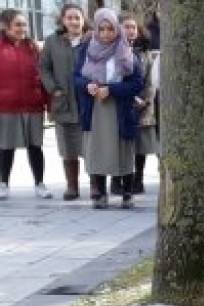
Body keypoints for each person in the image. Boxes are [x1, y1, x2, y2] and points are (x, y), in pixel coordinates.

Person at [75, 7, 143, 210]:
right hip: (95, 108)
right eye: (102, 29)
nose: (106, 34)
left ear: (117, 29)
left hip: (119, 108)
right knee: (98, 150)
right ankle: (101, 193)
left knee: (123, 150)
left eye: (110, 29)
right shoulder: (86, 51)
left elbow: (137, 83)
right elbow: (76, 77)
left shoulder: (126, 51)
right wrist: (87, 86)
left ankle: (127, 192)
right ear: (95, 29)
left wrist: (111, 89)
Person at [37, 3, 88, 201]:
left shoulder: (91, 40)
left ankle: (95, 186)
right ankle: (72, 186)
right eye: (70, 18)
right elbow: (43, 68)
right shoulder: (52, 42)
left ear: (83, 20)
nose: (74, 21)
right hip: (63, 101)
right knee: (67, 147)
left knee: (90, 146)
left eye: (77, 17)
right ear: (63, 21)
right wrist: (53, 88)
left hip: (86, 101)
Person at [0, 9, 51, 200]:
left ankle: (40, 183)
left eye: (24, 24)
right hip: (6, 107)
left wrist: (49, 104)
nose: (22, 29)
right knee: (6, 147)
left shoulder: (33, 48)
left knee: (35, 146)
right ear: (5, 26)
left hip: (33, 105)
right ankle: (3, 183)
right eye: (17, 25)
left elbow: (44, 77)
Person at [120, 13, 156, 196]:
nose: (130, 31)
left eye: (133, 27)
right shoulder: (113, 52)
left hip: (143, 104)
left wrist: (146, 100)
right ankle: (118, 179)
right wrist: (132, 98)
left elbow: (150, 81)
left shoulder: (145, 53)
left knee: (140, 144)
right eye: (126, 27)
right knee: (122, 142)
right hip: (122, 101)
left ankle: (138, 178)